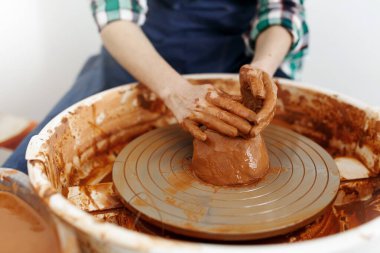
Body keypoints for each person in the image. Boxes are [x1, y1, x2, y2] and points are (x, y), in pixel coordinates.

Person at [3, 0, 308, 174]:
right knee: (23, 180)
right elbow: (113, 15)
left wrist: (259, 72)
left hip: (225, 67)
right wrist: (174, 90)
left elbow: (282, 12)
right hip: (137, 63)